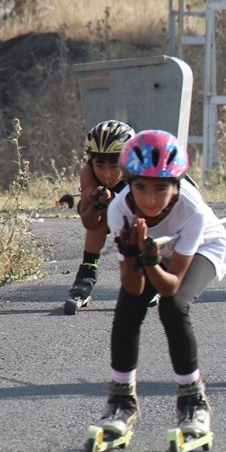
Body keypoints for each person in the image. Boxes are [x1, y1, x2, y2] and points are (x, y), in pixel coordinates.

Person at [91, 130, 226, 442]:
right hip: (154, 250)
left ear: (176, 186)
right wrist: (133, 253)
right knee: (127, 307)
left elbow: (169, 288)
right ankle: (121, 401)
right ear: (129, 183)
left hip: (204, 248)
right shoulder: (119, 210)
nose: (150, 199)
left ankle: (193, 400)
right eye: (141, 188)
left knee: (173, 307)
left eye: (161, 188)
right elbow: (133, 287)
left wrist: (149, 259)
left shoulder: (192, 210)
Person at [64, 120, 135, 314]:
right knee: (99, 212)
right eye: (100, 166)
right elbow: (89, 223)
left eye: (114, 166)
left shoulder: (140, 171)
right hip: (112, 210)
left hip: (146, 218)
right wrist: (96, 205)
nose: (106, 174)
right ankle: (87, 274)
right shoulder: (88, 174)